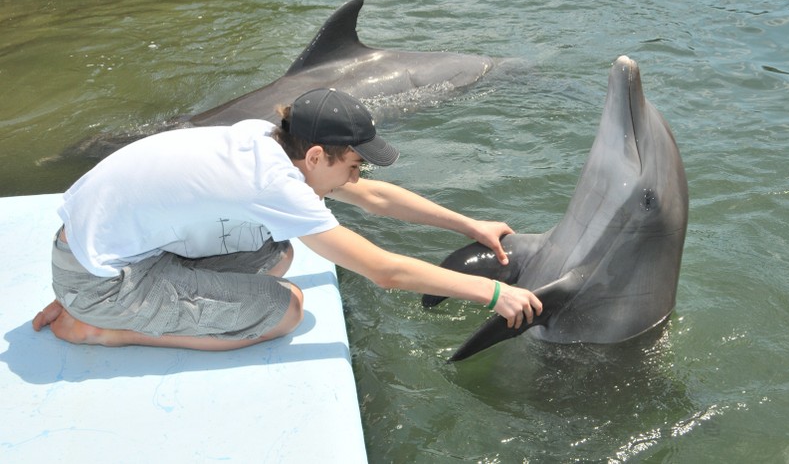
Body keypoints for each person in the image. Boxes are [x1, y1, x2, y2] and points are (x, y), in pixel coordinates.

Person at [33, 88, 542, 350]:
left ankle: (97, 300)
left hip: (90, 251)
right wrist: (495, 294)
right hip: (103, 282)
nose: (356, 176)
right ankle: (102, 327)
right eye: (353, 164)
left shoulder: (267, 140)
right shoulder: (271, 184)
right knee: (285, 311)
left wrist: (470, 226)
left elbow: (375, 198)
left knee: (276, 253)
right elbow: (385, 271)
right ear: (317, 155)